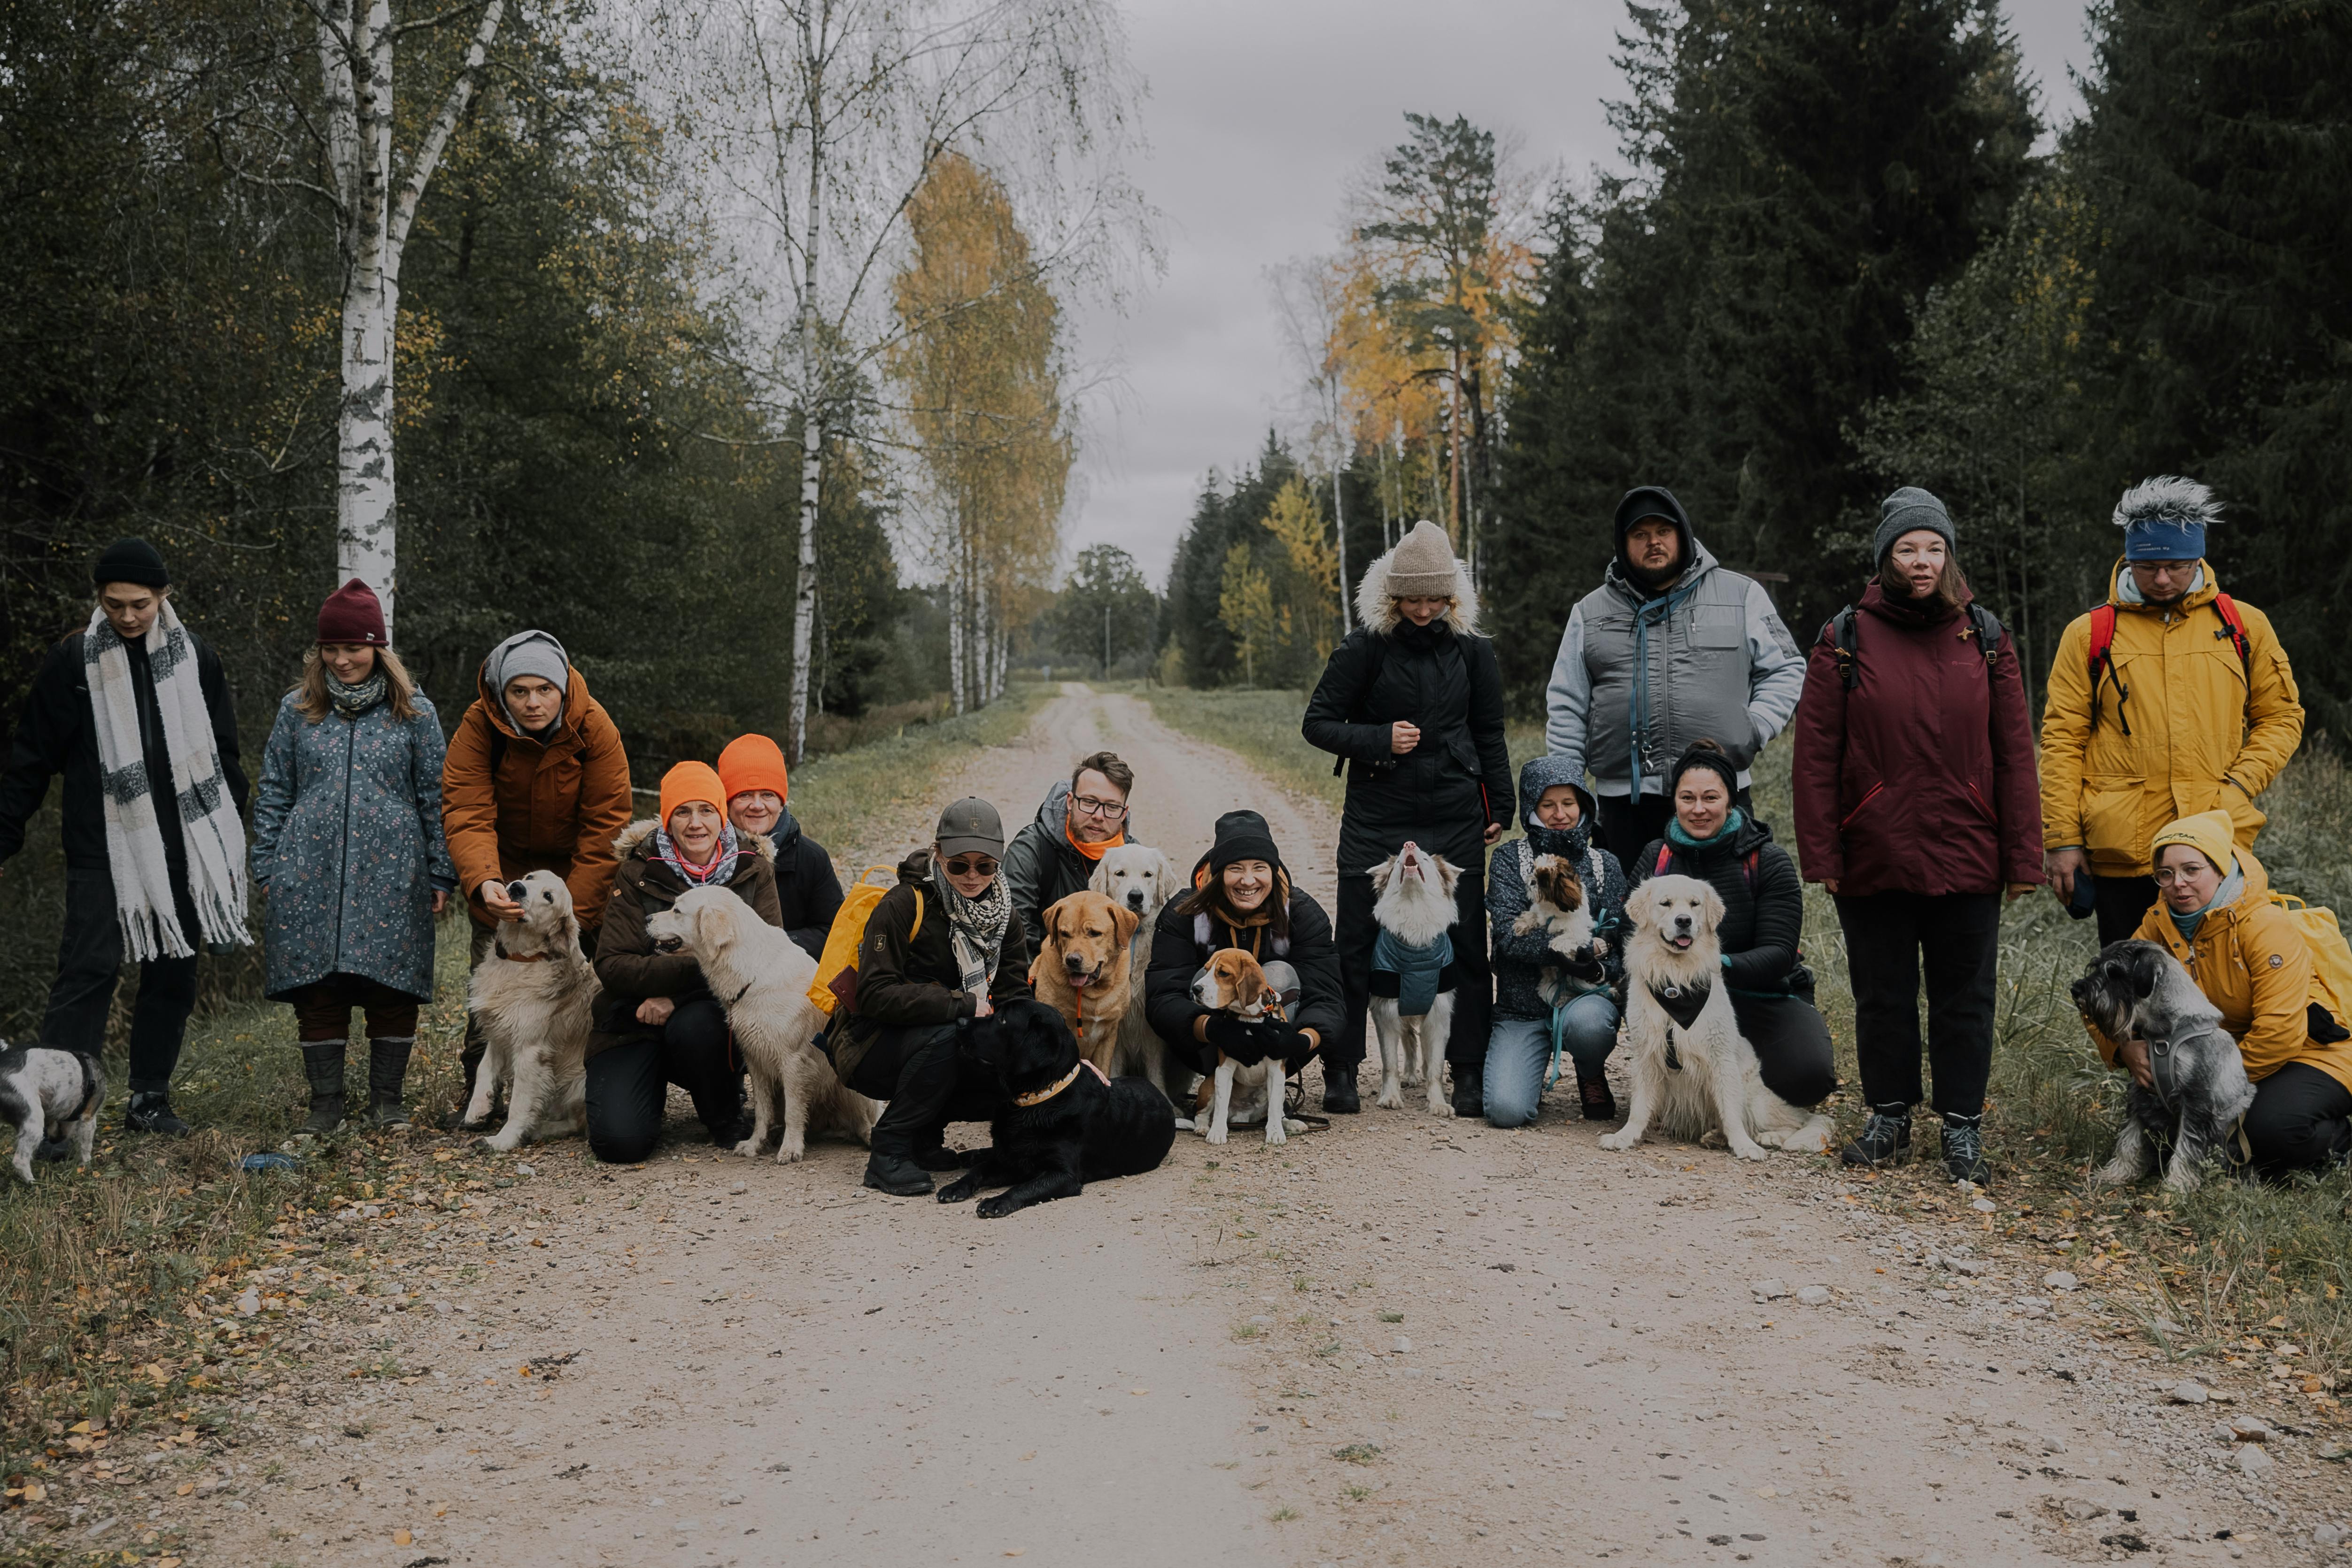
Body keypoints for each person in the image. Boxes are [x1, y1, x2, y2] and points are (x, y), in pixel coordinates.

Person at [1790, 490, 2042, 1184]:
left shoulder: (1985, 635)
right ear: (1885, 558)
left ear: (1949, 555)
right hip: (1874, 848)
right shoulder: (1845, 637)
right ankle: (1890, 1117)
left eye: (1933, 548)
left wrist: (2023, 855)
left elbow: (2016, 751)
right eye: (1907, 549)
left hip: (1969, 849)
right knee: (1884, 991)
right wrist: (1825, 855)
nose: (1922, 562)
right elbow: (1815, 756)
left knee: (1967, 996)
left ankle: (1963, 1128)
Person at [0, 537, 249, 1137]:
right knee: (87, 971)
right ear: (99, 599)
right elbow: (30, 759)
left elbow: (225, 757)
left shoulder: (199, 660)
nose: (128, 616)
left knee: (174, 972)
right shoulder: (72, 663)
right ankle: (61, 1110)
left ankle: (149, 1100)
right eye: (115, 604)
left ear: (164, 596)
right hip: (101, 846)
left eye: (140, 603)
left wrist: (229, 840)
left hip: (183, 846)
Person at [1302, 520, 1513, 1116]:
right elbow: (1317, 723)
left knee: (1467, 944)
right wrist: (1376, 739)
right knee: (1357, 944)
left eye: (1434, 599)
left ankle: (1468, 1070)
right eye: (1412, 599)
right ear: (1391, 596)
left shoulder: (1474, 651)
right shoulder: (1364, 646)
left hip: (1453, 810)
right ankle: (1343, 1069)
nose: (1423, 611)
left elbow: (1489, 731)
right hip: (1377, 813)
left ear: (1453, 597)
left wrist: (1499, 803)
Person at [2040, 477, 2303, 945]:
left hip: (2215, 842)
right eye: (2148, 566)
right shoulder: (2089, 634)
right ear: (2129, 559)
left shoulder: (2244, 626)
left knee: (2222, 991)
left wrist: (2240, 783)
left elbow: (2282, 717)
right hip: (2123, 851)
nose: (2162, 579)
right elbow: (2062, 740)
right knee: (2132, 997)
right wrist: (2062, 839)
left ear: (2198, 558)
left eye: (2176, 566)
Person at [250, 580, 456, 1135]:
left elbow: (436, 796)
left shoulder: (416, 714)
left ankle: (387, 1102)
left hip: (395, 872)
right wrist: (267, 866)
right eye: (331, 649)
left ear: (378, 649)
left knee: (390, 986)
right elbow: (274, 789)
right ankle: (326, 1108)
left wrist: (442, 870)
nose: (342, 660)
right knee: (319, 989)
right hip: (306, 870)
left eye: (354, 648)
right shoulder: (297, 712)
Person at [1543, 486, 1806, 873]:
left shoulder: (1743, 596)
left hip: (1716, 798)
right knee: (1629, 923)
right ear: (1622, 543)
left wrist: (1752, 727)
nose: (1654, 543)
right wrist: (1567, 784)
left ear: (1682, 534)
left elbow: (1787, 667)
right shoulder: (1590, 612)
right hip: (1624, 806)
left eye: (1663, 532)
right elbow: (1567, 702)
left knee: (1724, 919)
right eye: (1640, 535)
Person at [2089, 811, 2351, 1177]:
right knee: (2195, 1131)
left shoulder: (2264, 926)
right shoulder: (2157, 924)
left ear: (2221, 868)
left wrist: (2212, 1085)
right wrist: (2121, 1049)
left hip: (2310, 1052)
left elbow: (2281, 1031)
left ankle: (2339, 1141)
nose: (2178, 883)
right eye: (2166, 874)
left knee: (2269, 1131)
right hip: (2222, 1055)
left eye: (2192, 870)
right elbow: (2100, 993)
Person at [442, 629, 633, 1111]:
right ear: (502, 694)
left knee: (585, 976)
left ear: (563, 689)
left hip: (574, 873)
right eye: (519, 692)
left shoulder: (594, 727)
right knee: (493, 976)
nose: (533, 703)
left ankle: (592, 1089)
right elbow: (467, 810)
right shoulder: (479, 726)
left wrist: (572, 911)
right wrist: (484, 880)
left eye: (545, 690)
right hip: (503, 869)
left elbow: (606, 824)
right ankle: (481, 1092)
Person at [583, 762, 784, 1163]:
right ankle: (644, 1092)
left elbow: (766, 958)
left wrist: (674, 998)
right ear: (666, 818)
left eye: (706, 810)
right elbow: (612, 965)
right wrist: (703, 965)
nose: (696, 823)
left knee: (698, 1025)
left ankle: (724, 1113)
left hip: (707, 1017)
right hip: (633, 1019)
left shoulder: (751, 870)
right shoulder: (637, 871)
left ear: (722, 815)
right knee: (620, 1145)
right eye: (683, 811)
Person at [830, 798, 1031, 1196]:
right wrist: (962, 1003)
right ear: (938, 854)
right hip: (868, 1044)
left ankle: (925, 1139)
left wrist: (1053, 1057)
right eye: (959, 864)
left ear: (999, 862)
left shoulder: (1006, 915)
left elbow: (1015, 996)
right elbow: (873, 993)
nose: (972, 876)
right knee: (950, 1033)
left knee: (1013, 1062)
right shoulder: (904, 903)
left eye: (985, 866)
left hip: (936, 1040)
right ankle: (888, 1151)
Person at [1630, 741, 1836, 1117]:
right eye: (1687, 797)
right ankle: (1679, 1096)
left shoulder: (1767, 860)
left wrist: (1714, 964)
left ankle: (1751, 1099)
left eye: (1711, 797)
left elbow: (1779, 953)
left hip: (1759, 995)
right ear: (1674, 800)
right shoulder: (1656, 857)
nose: (1698, 809)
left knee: (1807, 1076)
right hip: (1676, 993)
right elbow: (1629, 932)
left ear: (1731, 800)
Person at [1143, 810, 1343, 1097]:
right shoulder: (1184, 913)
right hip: (1208, 1044)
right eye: (1235, 868)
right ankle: (1223, 1086)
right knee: (1206, 975)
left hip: (1281, 1041)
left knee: (1278, 973)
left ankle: (1267, 1089)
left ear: (1273, 871)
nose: (1248, 881)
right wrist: (1212, 1029)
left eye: (1259, 868)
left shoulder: (1303, 913)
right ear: (1219, 872)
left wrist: (1301, 1042)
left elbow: (1328, 996)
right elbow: (1163, 996)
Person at [1483, 757, 1627, 1128]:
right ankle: (1525, 1067)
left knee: (1591, 1027)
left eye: (1569, 803)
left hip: (1585, 997)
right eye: (1547, 805)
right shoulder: (1508, 859)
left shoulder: (1603, 862)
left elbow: (1618, 937)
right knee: (1506, 1111)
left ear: (1584, 805)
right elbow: (1506, 939)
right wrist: (1560, 951)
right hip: (1522, 1005)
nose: (1559, 814)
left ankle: (1589, 1068)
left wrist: (1596, 963)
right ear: (1532, 807)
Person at [717, 732, 843, 961]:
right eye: (744, 795)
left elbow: (834, 932)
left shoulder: (811, 858)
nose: (757, 806)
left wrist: (770, 944)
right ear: (726, 803)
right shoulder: (702, 854)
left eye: (767, 795)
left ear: (781, 802)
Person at [1003, 751, 1137, 955]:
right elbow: (1015, 933)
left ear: (1124, 813)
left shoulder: (1136, 860)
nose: (1099, 816)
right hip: (1045, 973)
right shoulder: (1031, 850)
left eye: (1111, 807)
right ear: (1070, 802)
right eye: (1089, 802)